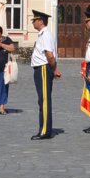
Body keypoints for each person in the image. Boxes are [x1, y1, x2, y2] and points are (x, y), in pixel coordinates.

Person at [30, 10, 60, 140]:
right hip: (40, 69)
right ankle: (43, 128)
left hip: (43, 69)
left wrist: (54, 70)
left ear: (41, 21)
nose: (33, 22)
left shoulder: (46, 35)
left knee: (45, 100)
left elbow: (50, 55)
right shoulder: (42, 34)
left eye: (34, 20)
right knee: (42, 100)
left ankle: (45, 131)